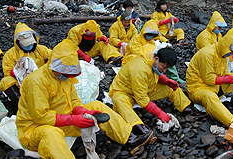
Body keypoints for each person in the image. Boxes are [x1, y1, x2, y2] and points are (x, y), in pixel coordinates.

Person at [15, 39, 154, 158]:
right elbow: (40, 116)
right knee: (51, 133)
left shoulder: (63, 76)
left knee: (96, 106)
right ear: (54, 65)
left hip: (63, 119)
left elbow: (74, 101)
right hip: (35, 129)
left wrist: (80, 111)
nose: (69, 76)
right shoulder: (35, 81)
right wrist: (73, 120)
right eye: (66, 73)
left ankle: (129, 137)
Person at [109, 45, 205, 136]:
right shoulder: (139, 69)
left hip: (144, 89)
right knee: (119, 101)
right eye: (164, 67)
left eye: (167, 68)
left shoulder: (152, 61)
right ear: (156, 59)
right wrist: (159, 113)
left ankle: (186, 108)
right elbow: (142, 98)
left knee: (171, 88)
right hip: (125, 92)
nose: (165, 70)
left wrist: (166, 80)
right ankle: (138, 127)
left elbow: (154, 73)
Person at [0, 22, 51, 113]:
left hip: (42, 82)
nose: (29, 45)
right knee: (5, 81)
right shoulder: (10, 54)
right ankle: (22, 105)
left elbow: (52, 56)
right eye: (26, 44)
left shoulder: (41, 49)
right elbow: (7, 71)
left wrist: (47, 63)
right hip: (21, 84)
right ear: (18, 43)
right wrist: (19, 70)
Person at [122, 20, 186, 84]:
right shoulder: (136, 39)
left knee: (165, 60)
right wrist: (151, 56)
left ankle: (174, 78)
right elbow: (136, 52)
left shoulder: (151, 41)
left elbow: (157, 42)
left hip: (146, 58)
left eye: (153, 35)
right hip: (133, 59)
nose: (151, 36)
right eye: (149, 34)